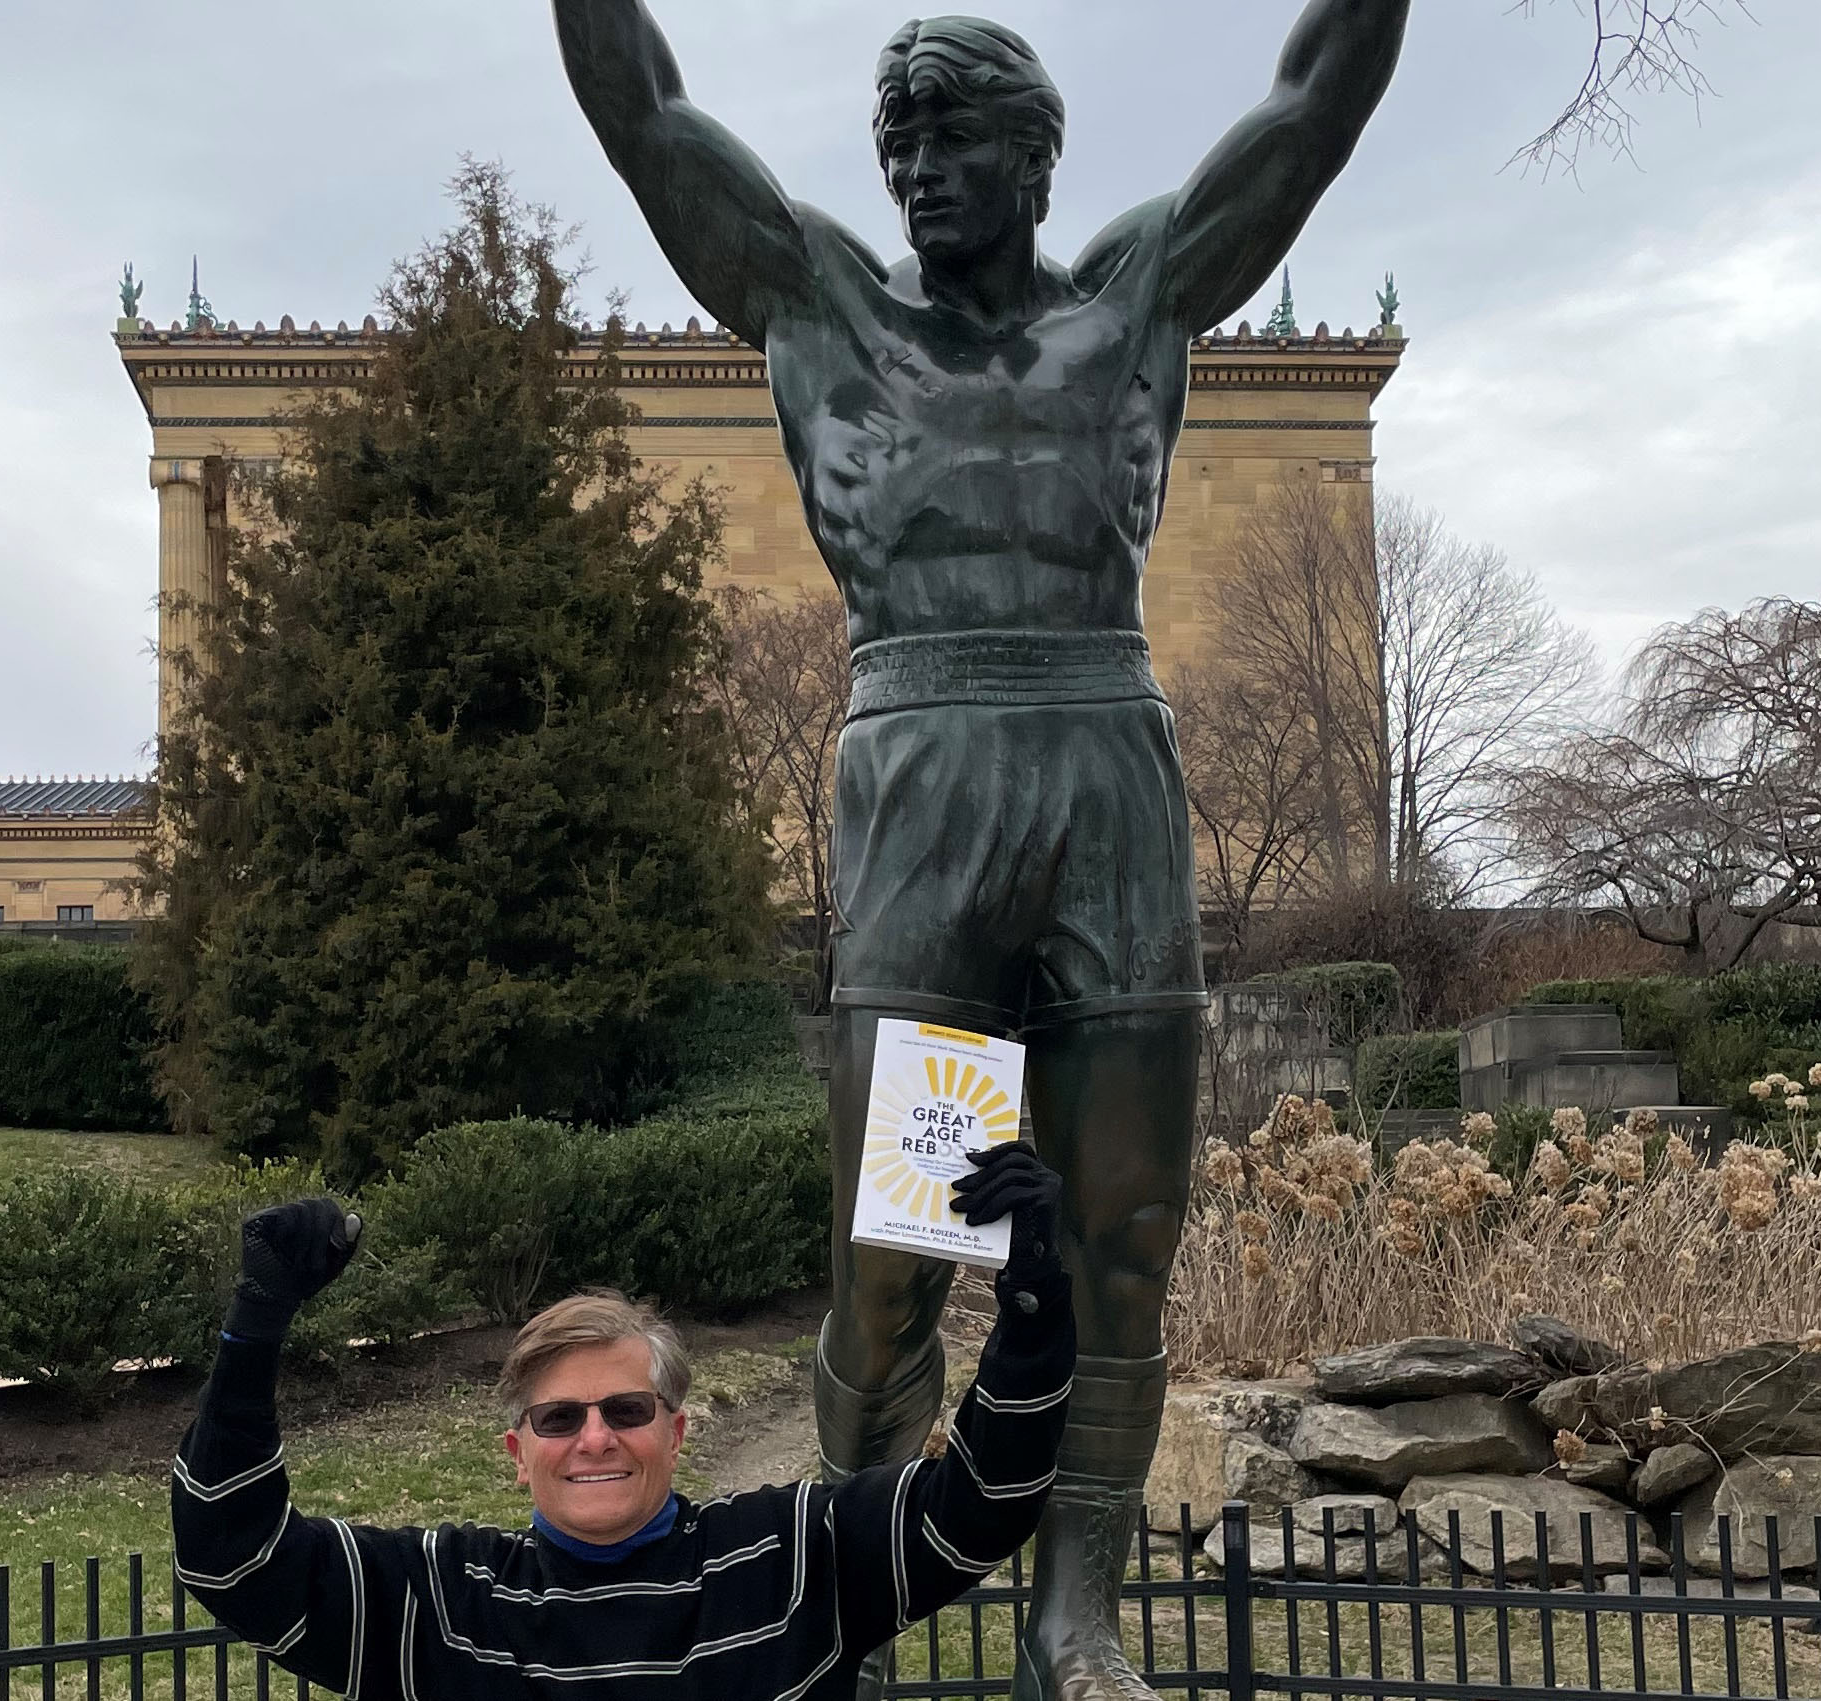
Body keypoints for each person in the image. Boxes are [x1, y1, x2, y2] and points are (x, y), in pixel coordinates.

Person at [552, 8, 1407, 1698]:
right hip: (925, 780)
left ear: (1035, 155)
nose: (920, 177)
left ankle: (1072, 1616)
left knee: (1121, 1233)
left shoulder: (1135, 301)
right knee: (891, 1265)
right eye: (896, 148)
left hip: (1104, 768)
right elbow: (643, 112)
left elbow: (1309, 105)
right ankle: (854, 1609)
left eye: (952, 144)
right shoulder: (821, 305)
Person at [171, 1143, 1066, 1700]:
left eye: (626, 1408)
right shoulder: (438, 1601)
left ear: (675, 1432)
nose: (594, 1436)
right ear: (518, 1453)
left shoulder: (796, 1558)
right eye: (559, 1417)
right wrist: (254, 1328)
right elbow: (231, 1556)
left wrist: (1029, 1297)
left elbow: (986, 1500)